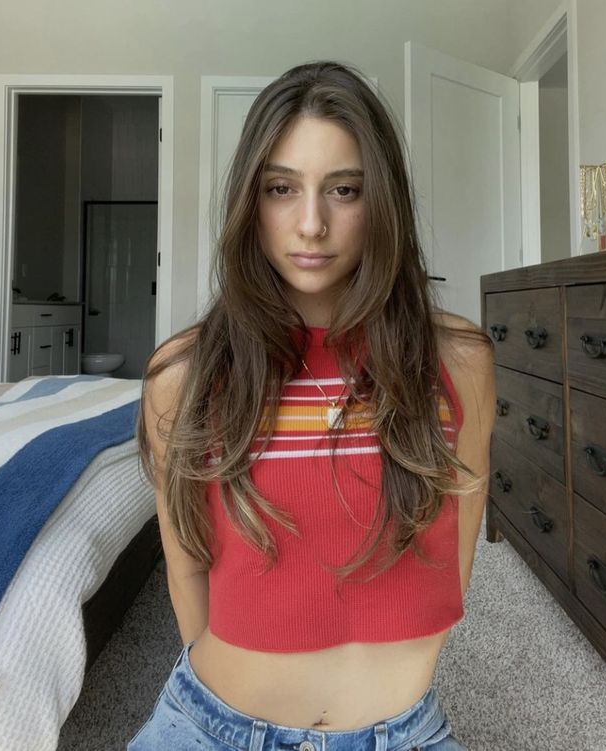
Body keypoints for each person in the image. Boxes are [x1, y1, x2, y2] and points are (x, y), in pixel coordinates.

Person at [130, 60, 495, 751]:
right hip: (214, 728)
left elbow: (461, 528)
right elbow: (186, 564)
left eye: (344, 189)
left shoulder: (459, 363)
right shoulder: (184, 374)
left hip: (405, 731)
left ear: (380, 200)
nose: (311, 222)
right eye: (280, 188)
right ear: (251, 200)